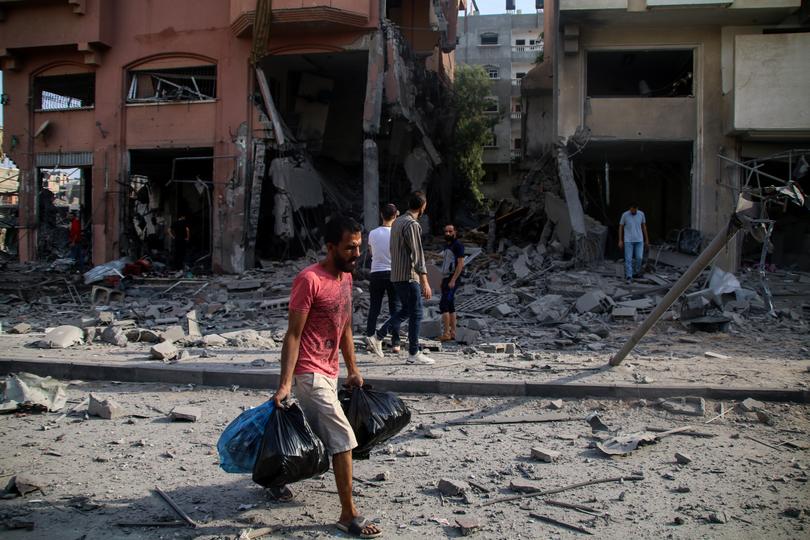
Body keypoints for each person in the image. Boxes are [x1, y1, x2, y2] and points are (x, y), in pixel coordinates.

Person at [271, 214, 382, 539]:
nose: (356, 254)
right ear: (330, 246)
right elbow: (293, 335)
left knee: (312, 438)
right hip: (308, 372)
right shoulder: (309, 280)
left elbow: (345, 327)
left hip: (330, 372)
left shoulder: (345, 280)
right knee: (343, 437)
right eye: (350, 248)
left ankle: (275, 478)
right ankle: (348, 515)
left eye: (359, 247)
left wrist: (353, 370)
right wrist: (285, 384)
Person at [372, 191, 435, 365]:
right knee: (417, 313)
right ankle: (413, 353)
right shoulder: (412, 224)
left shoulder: (398, 222)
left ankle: (379, 335)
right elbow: (417, 254)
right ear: (423, 206)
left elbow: (394, 250)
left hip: (396, 275)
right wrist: (425, 282)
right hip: (408, 276)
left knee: (407, 310)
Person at [364, 203, 401, 357]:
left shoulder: (372, 233)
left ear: (381, 215)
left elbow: (372, 253)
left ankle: (370, 339)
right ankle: (396, 343)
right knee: (395, 309)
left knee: (374, 307)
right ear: (396, 215)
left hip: (376, 273)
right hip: (394, 273)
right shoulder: (398, 233)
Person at [438, 224, 464, 342]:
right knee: (450, 306)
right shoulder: (447, 245)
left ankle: (446, 333)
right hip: (446, 278)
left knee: (444, 305)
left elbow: (460, 264)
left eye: (450, 231)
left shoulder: (458, 245)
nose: (448, 233)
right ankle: (453, 333)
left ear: (455, 232)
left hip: (452, 278)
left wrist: (453, 280)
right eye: (446, 231)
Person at [618, 203, 649, 283]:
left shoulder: (641, 214)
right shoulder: (625, 215)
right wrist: (620, 240)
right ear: (630, 208)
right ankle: (629, 276)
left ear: (637, 208)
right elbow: (621, 226)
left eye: (634, 210)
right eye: (631, 209)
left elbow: (644, 227)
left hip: (639, 240)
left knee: (639, 257)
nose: (632, 211)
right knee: (628, 259)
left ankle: (636, 272)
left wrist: (647, 239)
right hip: (628, 240)